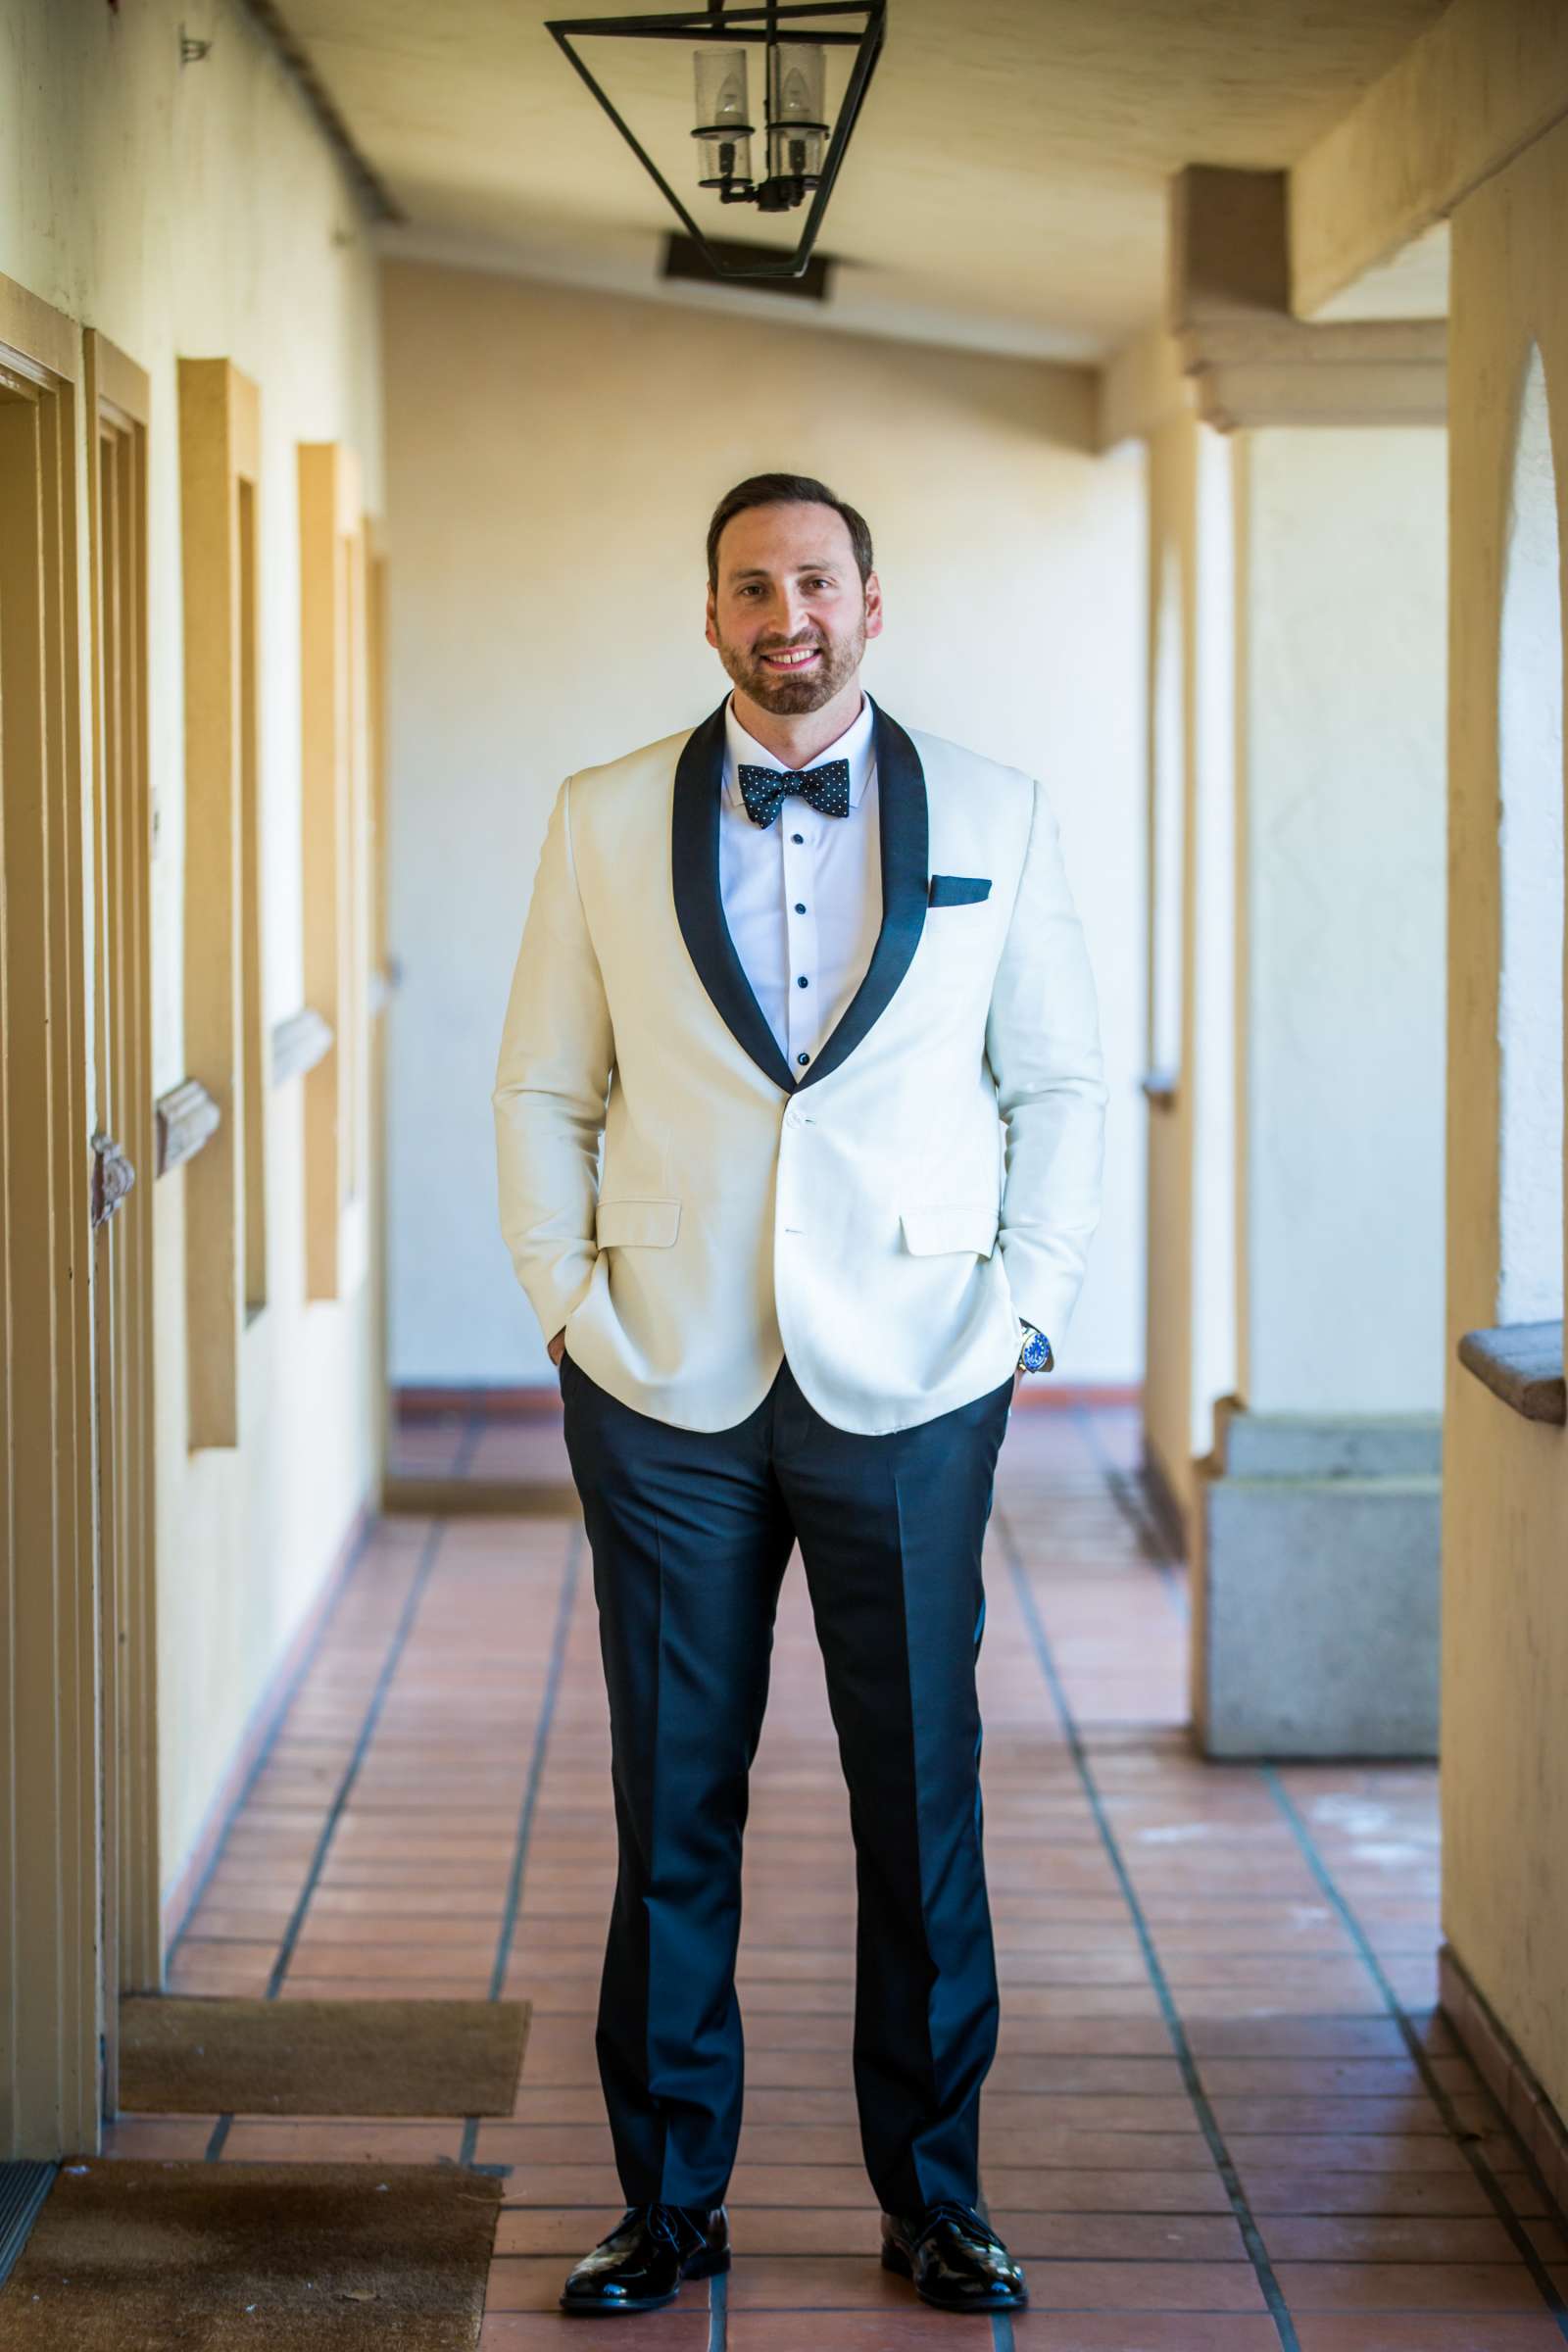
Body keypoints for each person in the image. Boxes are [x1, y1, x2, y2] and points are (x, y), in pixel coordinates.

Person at [491, 472, 1106, 2317]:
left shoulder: (995, 810)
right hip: (666, 1383)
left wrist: (1023, 1318)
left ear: (870, 601)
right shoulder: (603, 818)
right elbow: (542, 1084)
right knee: (672, 1801)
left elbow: (1058, 1085)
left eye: (818, 581)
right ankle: (667, 2205)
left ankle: (936, 2199)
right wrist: (567, 1311)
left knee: (919, 1804)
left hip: (915, 1379)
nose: (790, 614)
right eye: (753, 585)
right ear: (710, 613)